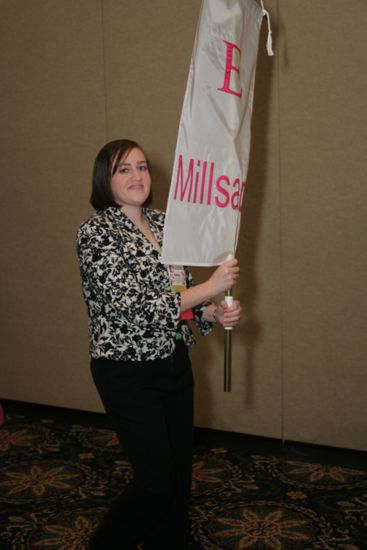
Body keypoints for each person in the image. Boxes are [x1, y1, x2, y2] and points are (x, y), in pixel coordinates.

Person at [76, 139, 242, 549]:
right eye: (124, 169)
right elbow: (135, 307)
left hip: (173, 364)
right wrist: (209, 289)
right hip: (127, 372)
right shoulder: (95, 233)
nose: (137, 176)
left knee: (178, 480)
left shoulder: (166, 224)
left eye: (142, 167)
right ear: (105, 179)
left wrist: (212, 313)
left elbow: (176, 299)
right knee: (155, 484)